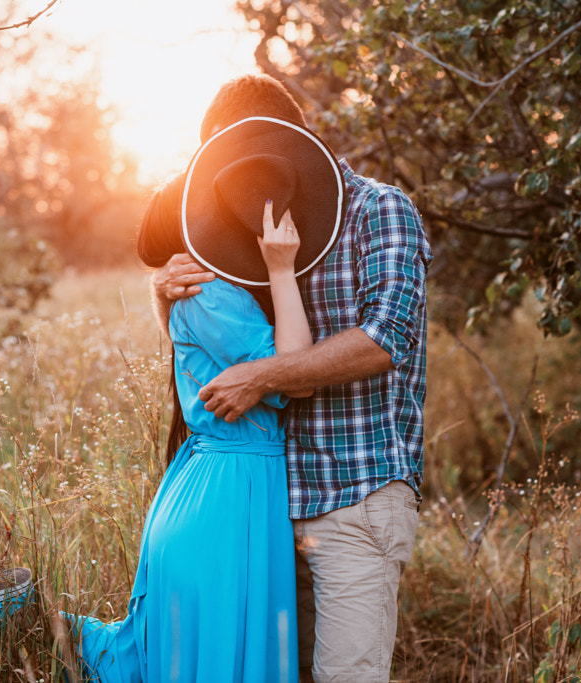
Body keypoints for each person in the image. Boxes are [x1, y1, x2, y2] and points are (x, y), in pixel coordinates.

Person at [0, 116, 349, 683]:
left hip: (216, 482)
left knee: (172, 651)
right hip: (232, 492)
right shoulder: (217, 298)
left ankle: (23, 622)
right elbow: (298, 375)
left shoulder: (202, 294)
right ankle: (19, 621)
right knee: (202, 653)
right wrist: (281, 267)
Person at [154, 74, 433, 683]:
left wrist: (263, 375)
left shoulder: (379, 209)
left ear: (285, 136)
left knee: (346, 676)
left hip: (357, 493)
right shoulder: (249, 233)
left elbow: (387, 338)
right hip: (267, 506)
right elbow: (214, 345)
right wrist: (167, 296)